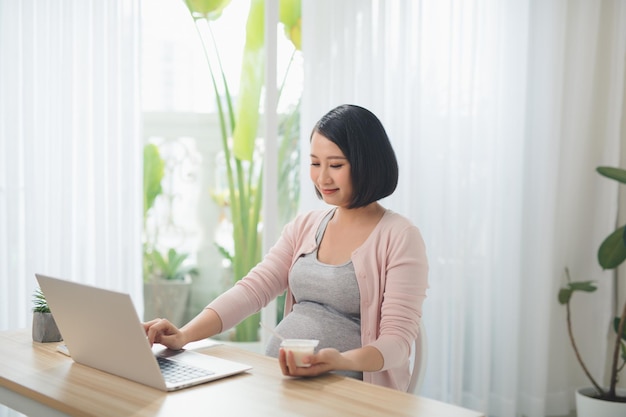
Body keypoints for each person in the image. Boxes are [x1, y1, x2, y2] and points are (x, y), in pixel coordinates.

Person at [144, 104, 429, 392]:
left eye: (336, 165)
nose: (322, 178)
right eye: (315, 163)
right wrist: (184, 334)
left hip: (351, 395)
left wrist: (338, 361)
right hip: (284, 387)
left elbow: (397, 343)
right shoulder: (305, 226)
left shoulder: (400, 236)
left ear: (367, 163)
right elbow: (252, 290)